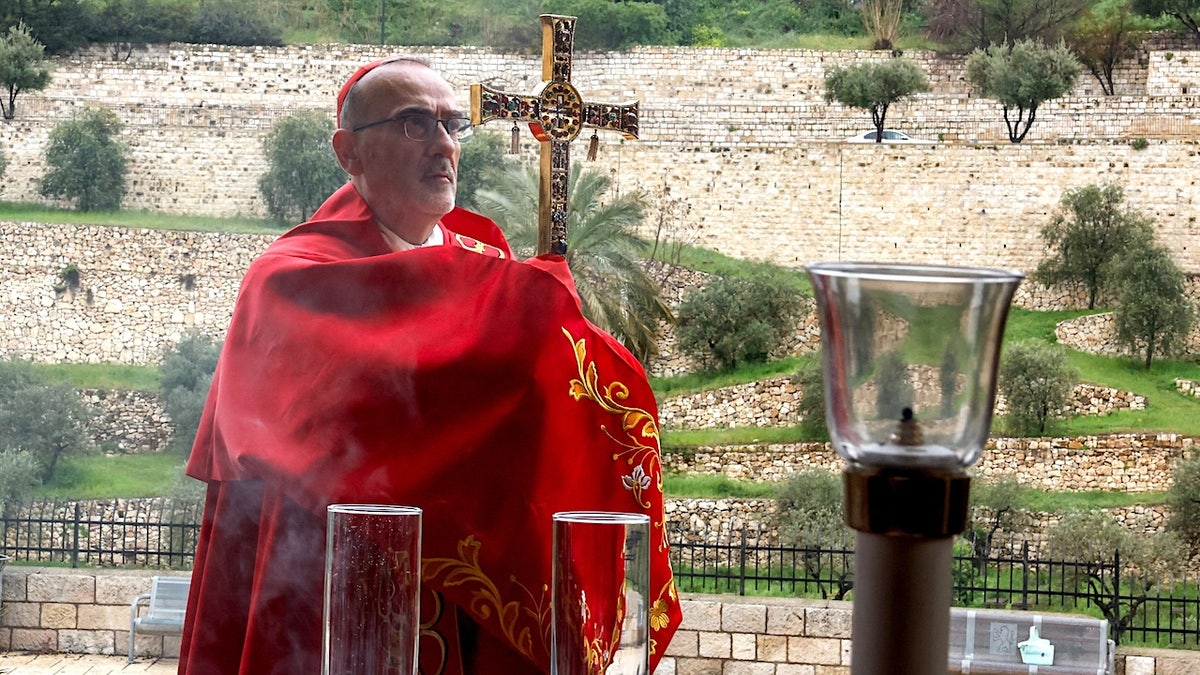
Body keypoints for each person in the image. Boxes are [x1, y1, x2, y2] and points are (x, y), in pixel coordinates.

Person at [177, 57, 681, 674]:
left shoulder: (488, 263)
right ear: (349, 152)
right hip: (326, 590)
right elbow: (377, 405)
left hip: (477, 596)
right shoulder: (291, 281)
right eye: (415, 124)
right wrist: (528, 310)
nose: (443, 144)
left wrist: (542, 326)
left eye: (452, 125)